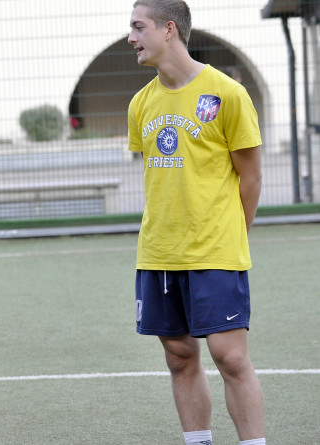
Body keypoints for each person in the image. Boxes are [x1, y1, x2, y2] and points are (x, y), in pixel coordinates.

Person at [127, 1, 265, 445]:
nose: (131, 37)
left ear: (169, 29)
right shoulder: (141, 103)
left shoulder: (227, 94)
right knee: (179, 356)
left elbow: (251, 177)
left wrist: (232, 237)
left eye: (138, 27)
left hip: (216, 249)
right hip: (159, 252)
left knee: (231, 358)